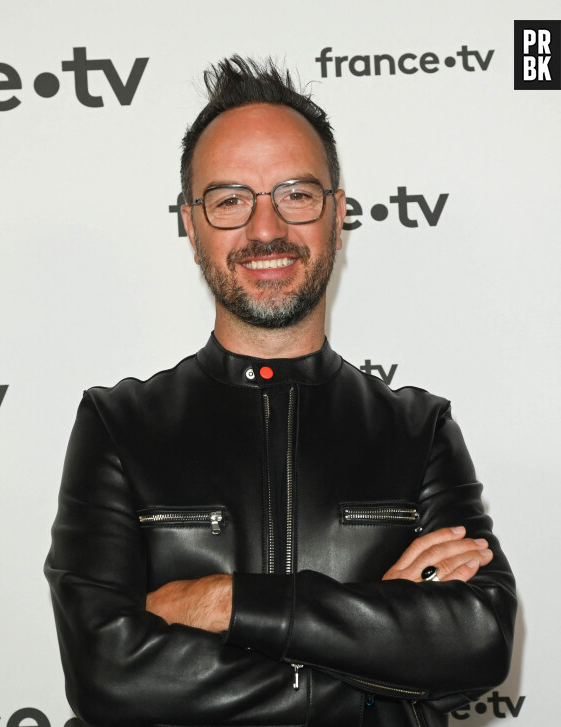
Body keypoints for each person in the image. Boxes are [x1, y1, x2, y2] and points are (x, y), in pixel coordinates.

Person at [45, 56, 516, 727]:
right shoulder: (119, 424)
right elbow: (107, 676)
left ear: (337, 213)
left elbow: (478, 639)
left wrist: (222, 600)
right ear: (191, 223)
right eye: (231, 198)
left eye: (294, 193)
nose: (266, 230)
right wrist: (376, 684)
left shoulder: (419, 429)